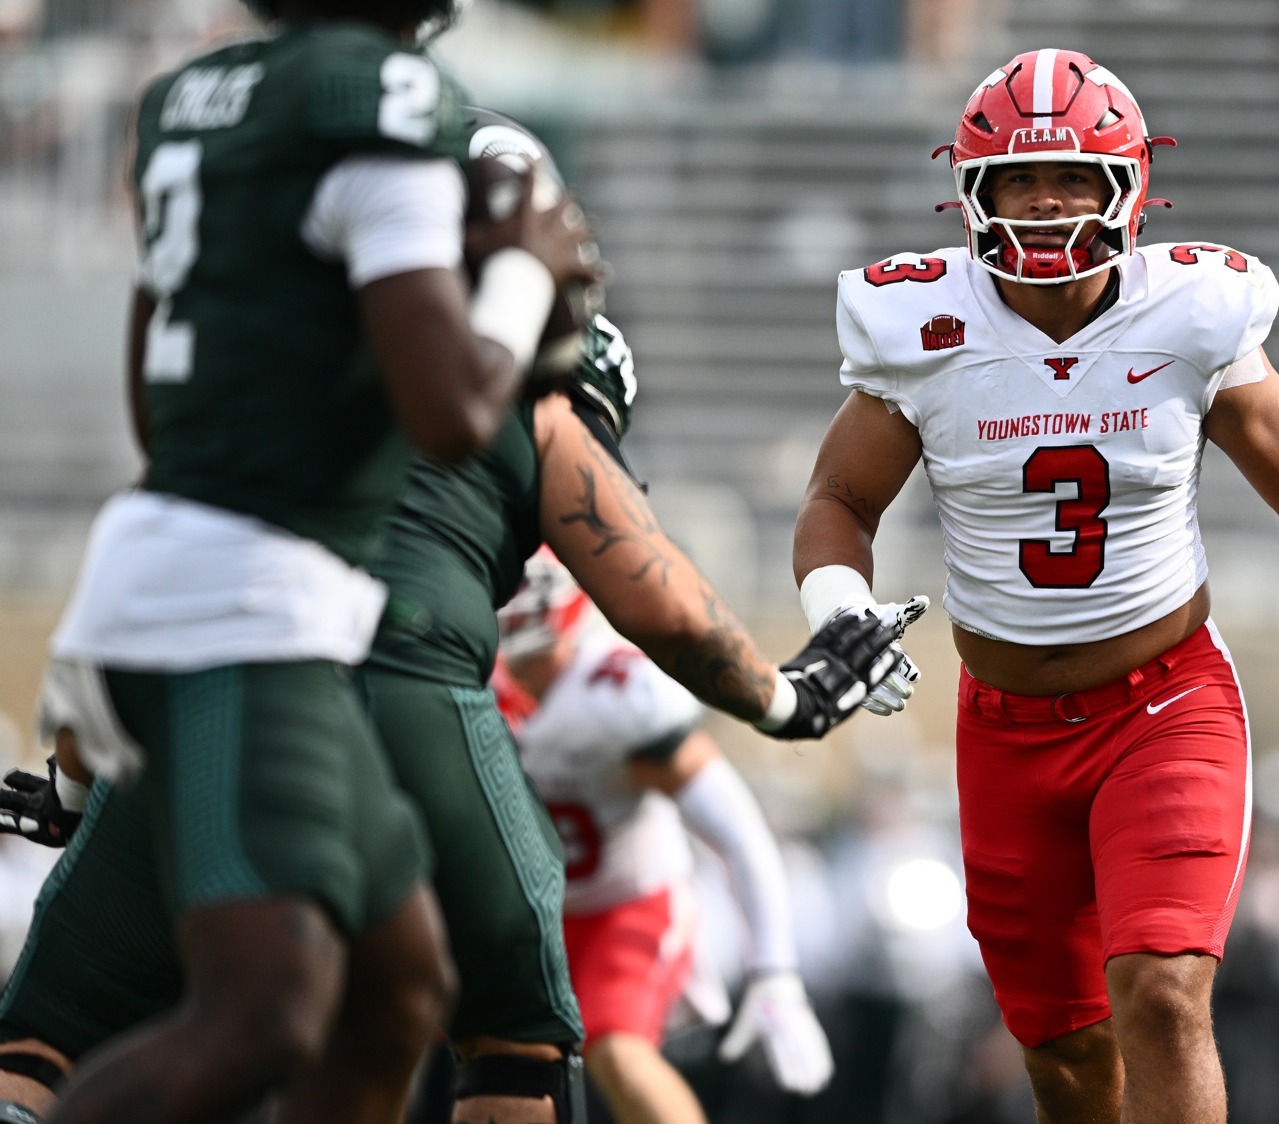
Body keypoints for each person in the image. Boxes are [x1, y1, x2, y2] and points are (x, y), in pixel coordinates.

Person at [0, 113, 912, 1124]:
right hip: (395, 677)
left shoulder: (253, 357)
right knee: (513, 1037)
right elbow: (666, 606)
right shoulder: (534, 389)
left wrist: (83, 788)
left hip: (184, 677)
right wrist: (792, 697)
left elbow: (144, 568)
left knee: (53, 1031)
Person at [791, 47, 1279, 1124]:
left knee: (1160, 991)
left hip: (1162, 709)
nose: (1045, 202)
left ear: (1129, 186)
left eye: (1068, 174)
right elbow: (840, 497)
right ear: (972, 195)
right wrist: (836, 608)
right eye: (1018, 180)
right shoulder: (921, 324)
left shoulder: (1192, 312)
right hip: (1004, 729)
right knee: (1066, 1057)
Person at [0, 0, 606, 1115]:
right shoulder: (379, 96)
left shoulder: (198, 97)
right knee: (263, 1011)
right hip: (243, 604)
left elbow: (153, 402)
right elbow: (451, 410)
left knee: (396, 983)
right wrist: (522, 279)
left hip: (196, 566)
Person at [494, 552, 834, 1122]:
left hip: (627, 904)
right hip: (526, 918)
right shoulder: (465, 676)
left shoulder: (616, 692)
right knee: (491, 1066)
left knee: (618, 1051)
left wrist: (775, 971)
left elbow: (737, 829)